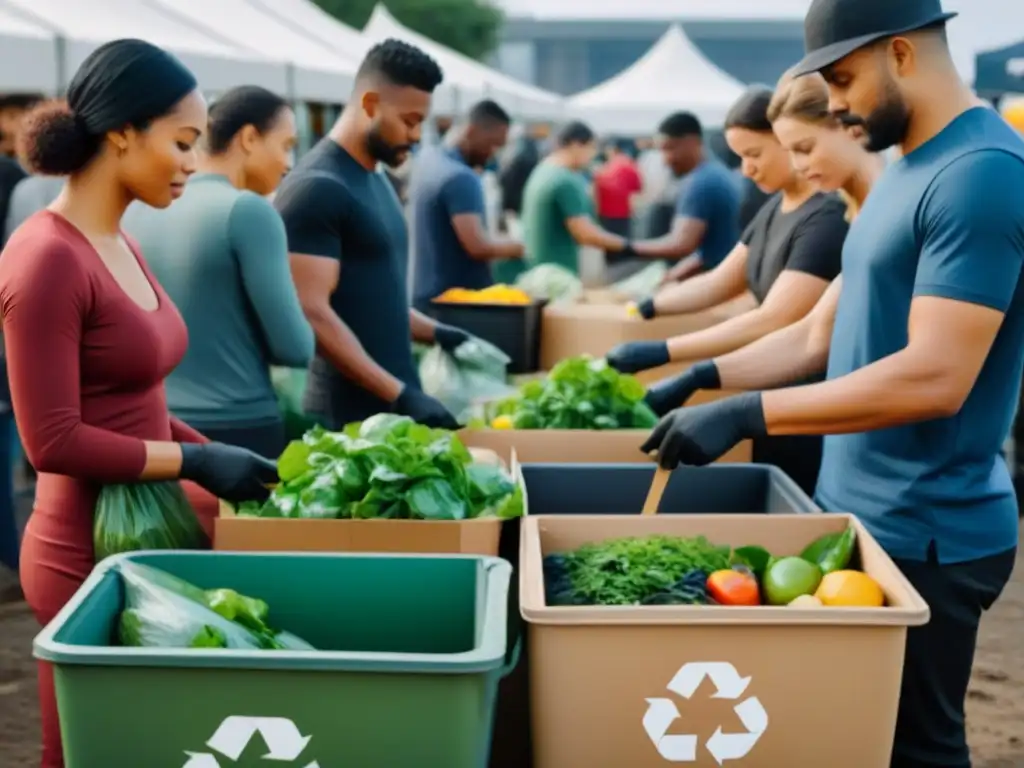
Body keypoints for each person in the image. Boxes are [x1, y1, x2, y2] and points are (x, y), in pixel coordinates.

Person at [642, 2, 1022, 765]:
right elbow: (818, 337)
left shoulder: (981, 175)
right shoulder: (900, 174)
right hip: (860, 509)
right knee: (853, 741)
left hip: (929, 529)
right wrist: (702, 379)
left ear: (903, 54)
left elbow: (937, 377)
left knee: (918, 749)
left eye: (844, 78)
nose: (837, 101)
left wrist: (751, 413)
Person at [0, 39, 278, 768]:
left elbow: (136, 400)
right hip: (81, 555)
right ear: (122, 131)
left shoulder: (117, 239)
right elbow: (52, 442)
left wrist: (224, 459)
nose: (193, 162)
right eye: (182, 142)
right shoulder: (46, 258)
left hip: (148, 536)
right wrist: (194, 458)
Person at [607, 85, 851, 493]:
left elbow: (776, 319)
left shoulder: (826, 219)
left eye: (754, 155)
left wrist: (670, 355)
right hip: (759, 388)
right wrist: (649, 307)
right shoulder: (776, 206)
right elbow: (721, 280)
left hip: (802, 402)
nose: (746, 170)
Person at [275, 39, 472, 431]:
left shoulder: (376, 177)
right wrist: (398, 393)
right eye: (410, 121)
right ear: (369, 105)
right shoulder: (317, 186)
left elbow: (373, 296)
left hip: (389, 409)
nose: (417, 136)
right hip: (345, 419)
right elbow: (311, 311)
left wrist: (436, 332)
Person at [124, 85, 314, 458]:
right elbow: (295, 346)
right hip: (238, 428)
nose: (289, 163)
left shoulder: (140, 209)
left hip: (154, 428)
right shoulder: (248, 211)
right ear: (249, 138)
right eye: (286, 145)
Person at [408, 99, 524, 311]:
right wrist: (519, 247)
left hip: (425, 295)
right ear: (472, 130)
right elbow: (477, 246)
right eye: (493, 144)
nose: (493, 154)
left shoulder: (428, 159)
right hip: (453, 305)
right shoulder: (460, 177)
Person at [628, 112, 742, 283]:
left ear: (693, 142)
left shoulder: (702, 182)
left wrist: (624, 247)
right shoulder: (715, 173)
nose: (666, 160)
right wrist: (669, 277)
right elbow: (711, 251)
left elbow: (680, 244)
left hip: (718, 285)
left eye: (670, 148)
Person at [517, 120, 632, 278]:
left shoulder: (542, 170)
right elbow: (585, 233)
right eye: (591, 148)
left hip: (538, 270)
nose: (593, 155)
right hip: (557, 274)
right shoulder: (565, 179)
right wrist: (629, 246)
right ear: (576, 145)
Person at [594, 139, 643, 281]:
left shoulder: (604, 167)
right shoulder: (629, 165)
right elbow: (638, 191)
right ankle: (622, 280)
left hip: (605, 216)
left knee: (609, 250)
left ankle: (612, 279)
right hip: (622, 215)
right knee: (622, 250)